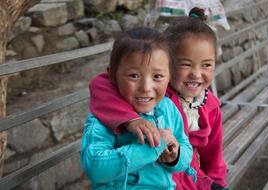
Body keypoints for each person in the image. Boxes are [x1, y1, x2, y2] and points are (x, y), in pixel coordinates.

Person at [88, 9, 228, 190]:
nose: (196, 73)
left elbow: (212, 156)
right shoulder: (159, 96)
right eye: (185, 64)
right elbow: (101, 84)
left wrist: (216, 184)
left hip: (186, 176)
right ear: (169, 65)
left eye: (207, 65)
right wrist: (132, 120)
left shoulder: (207, 107)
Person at [81, 27, 194, 190]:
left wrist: (175, 156)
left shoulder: (168, 108)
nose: (146, 87)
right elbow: (95, 168)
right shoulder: (103, 117)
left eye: (157, 76)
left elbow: (185, 149)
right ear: (112, 75)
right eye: (134, 76)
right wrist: (154, 147)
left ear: (169, 77)